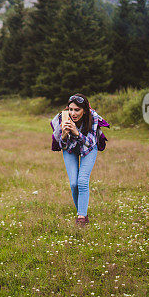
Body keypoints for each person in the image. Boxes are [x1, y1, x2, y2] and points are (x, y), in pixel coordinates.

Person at [50, 93, 106, 225]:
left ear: (84, 110)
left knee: (82, 181)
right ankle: (81, 211)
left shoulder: (93, 118)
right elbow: (61, 145)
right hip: (70, 148)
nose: (73, 113)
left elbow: (90, 143)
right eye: (71, 109)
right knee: (74, 183)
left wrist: (77, 133)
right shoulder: (62, 118)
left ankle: (82, 217)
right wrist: (63, 136)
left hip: (88, 147)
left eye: (77, 110)